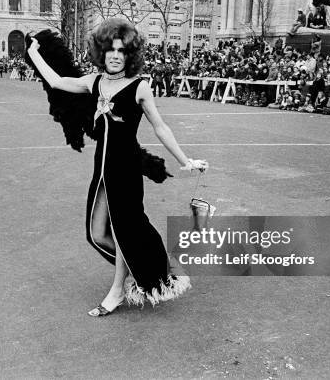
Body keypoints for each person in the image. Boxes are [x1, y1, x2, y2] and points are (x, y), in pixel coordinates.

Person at [27, 18, 208, 316]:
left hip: (125, 171)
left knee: (124, 229)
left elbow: (161, 128)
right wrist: (33, 53)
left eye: (121, 51)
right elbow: (58, 81)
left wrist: (185, 161)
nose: (114, 55)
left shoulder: (140, 87)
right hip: (102, 171)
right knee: (96, 233)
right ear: (101, 52)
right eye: (110, 50)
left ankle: (116, 290)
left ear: (129, 55)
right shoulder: (94, 81)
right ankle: (146, 271)